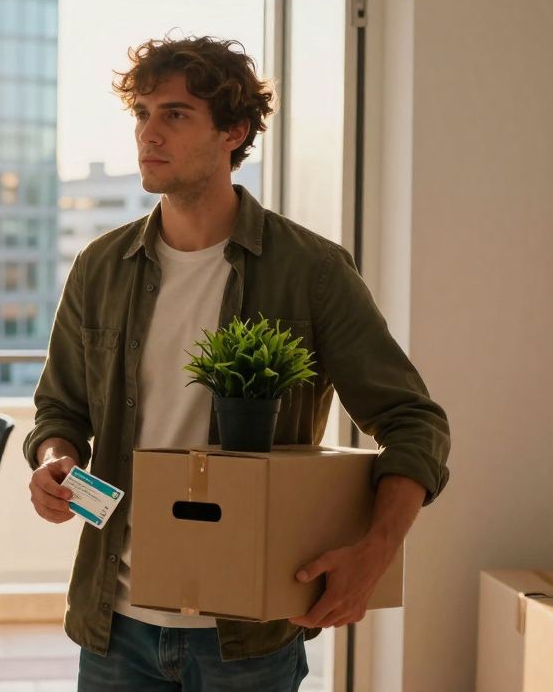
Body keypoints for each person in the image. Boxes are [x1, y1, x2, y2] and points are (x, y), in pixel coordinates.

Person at [24, 35, 451, 692]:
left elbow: (412, 422)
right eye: (141, 113)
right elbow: (61, 408)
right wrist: (55, 459)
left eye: (174, 114)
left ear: (234, 131)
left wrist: (375, 553)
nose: (148, 132)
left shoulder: (309, 271)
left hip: (246, 634)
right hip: (115, 627)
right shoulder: (100, 268)